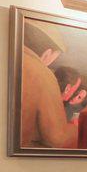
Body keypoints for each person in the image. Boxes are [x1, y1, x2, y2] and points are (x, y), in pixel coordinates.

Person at [18, 21, 77, 149]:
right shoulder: (42, 72)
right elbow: (57, 138)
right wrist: (77, 129)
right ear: (46, 54)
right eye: (53, 58)